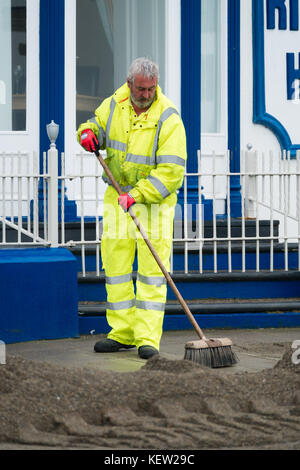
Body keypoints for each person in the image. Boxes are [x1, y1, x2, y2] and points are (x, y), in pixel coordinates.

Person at [77, 57, 187, 359]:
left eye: (151, 89)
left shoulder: (168, 117)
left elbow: (172, 171)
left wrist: (137, 195)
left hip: (154, 206)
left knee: (152, 273)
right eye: (141, 88)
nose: (147, 94)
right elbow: (95, 125)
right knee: (116, 269)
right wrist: (88, 135)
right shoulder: (115, 103)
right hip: (117, 198)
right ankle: (121, 333)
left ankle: (147, 339)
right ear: (130, 83)